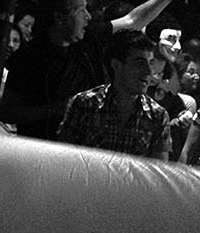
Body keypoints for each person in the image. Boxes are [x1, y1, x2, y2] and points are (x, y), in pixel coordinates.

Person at [0, 0, 194, 140]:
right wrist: (57, 109)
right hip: (41, 150)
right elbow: (6, 112)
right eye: (80, 10)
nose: (88, 16)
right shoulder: (28, 58)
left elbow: (133, 21)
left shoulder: (88, 39)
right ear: (59, 17)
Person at [55, 29, 169, 159]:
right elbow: (63, 158)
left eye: (151, 63)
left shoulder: (157, 116)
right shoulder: (85, 105)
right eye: (140, 63)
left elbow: (158, 171)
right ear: (116, 65)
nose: (149, 71)